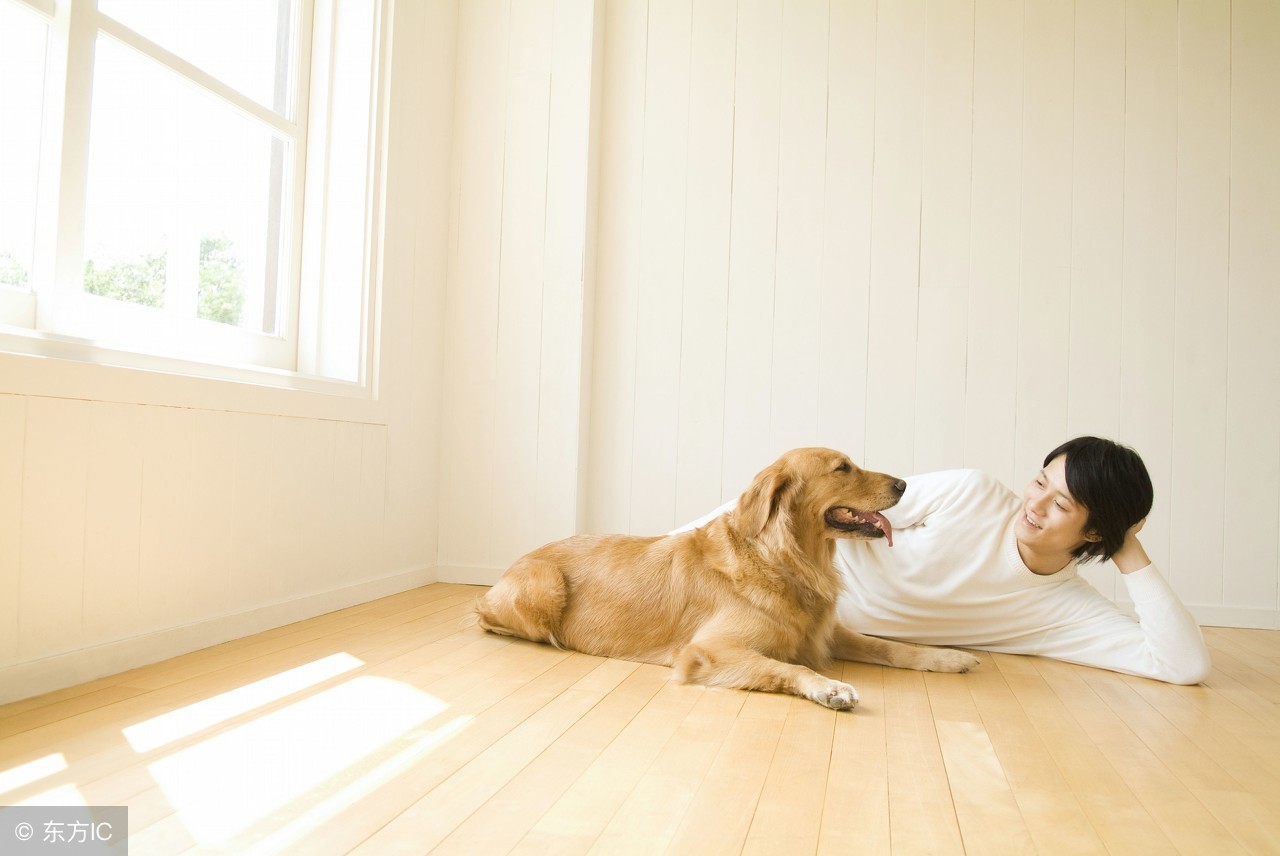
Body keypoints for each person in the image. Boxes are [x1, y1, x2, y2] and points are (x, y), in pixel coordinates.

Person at [679, 436, 1212, 685]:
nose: (1035, 505)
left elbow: (1183, 664)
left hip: (835, 646)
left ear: (1095, 530)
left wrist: (1129, 548)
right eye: (1040, 483)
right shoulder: (972, 494)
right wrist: (676, 545)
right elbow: (797, 507)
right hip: (774, 605)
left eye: (1062, 504)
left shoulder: (1065, 610)